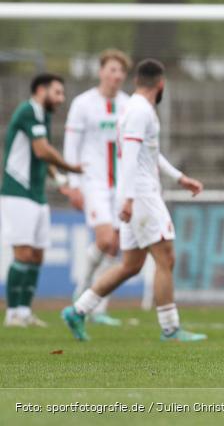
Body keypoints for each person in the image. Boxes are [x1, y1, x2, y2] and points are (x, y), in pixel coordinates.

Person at [62, 59, 205, 342]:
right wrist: (128, 199)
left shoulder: (132, 108)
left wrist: (179, 178)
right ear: (161, 84)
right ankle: (170, 328)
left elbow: (149, 152)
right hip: (140, 195)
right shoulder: (140, 110)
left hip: (133, 194)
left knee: (131, 265)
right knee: (166, 256)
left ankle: (78, 310)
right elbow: (129, 155)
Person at [2, 74, 83, 327]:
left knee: (37, 255)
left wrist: (59, 180)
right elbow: (42, 150)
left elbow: (43, 155)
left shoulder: (43, 115)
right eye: (57, 92)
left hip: (36, 195)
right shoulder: (28, 111)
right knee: (23, 252)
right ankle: (12, 312)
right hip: (18, 192)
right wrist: (71, 167)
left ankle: (24, 311)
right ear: (40, 90)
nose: (61, 98)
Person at [62, 49, 133, 326]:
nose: (116, 76)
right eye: (112, 69)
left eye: (121, 71)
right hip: (93, 182)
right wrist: (72, 184)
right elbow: (72, 146)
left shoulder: (128, 104)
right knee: (104, 240)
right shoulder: (83, 104)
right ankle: (82, 291)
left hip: (120, 186)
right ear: (101, 71)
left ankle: (98, 307)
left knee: (114, 246)